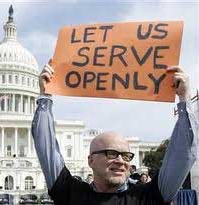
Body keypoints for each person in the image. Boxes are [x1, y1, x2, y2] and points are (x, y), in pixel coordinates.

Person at [32, 63, 198, 205]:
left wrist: (184, 99)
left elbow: (183, 155)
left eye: (126, 156)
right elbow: (45, 147)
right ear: (90, 160)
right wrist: (45, 96)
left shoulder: (149, 195)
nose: (120, 161)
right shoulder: (70, 193)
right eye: (111, 153)